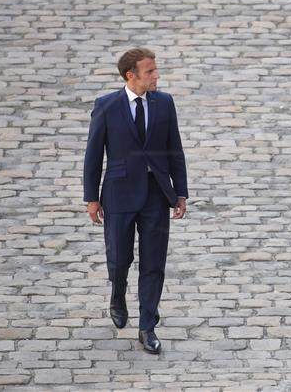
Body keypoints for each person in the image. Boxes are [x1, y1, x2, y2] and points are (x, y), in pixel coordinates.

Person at [83, 47, 188, 354]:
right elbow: (93, 155)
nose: (157, 76)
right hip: (118, 194)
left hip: (156, 194)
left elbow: (175, 149)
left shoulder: (164, 103)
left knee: (154, 263)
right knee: (119, 259)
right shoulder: (107, 106)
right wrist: (91, 198)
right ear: (131, 76)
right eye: (150, 71)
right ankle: (118, 293)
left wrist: (180, 191)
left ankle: (147, 326)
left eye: (156, 70)